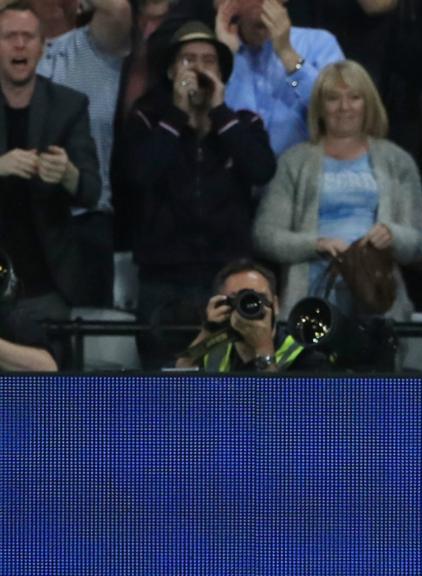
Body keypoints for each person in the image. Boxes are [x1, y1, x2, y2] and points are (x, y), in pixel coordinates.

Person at [124, 20, 276, 369]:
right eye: (188, 60)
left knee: (232, 373)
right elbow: (140, 175)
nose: (198, 69)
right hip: (163, 277)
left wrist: (220, 112)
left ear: (222, 73)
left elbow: (261, 169)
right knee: (166, 373)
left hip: (226, 275)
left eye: (209, 61)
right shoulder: (148, 121)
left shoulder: (244, 123)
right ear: (170, 70)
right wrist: (178, 114)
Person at [252, 60, 422, 326]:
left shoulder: (397, 161)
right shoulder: (294, 161)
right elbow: (265, 235)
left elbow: (417, 244)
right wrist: (316, 244)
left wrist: (393, 234)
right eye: (333, 98)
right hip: (310, 298)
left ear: (368, 103)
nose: (344, 107)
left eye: (354, 97)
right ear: (320, 107)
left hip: (377, 300)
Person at [0, 1, 100, 367]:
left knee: (52, 386)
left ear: (42, 47)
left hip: (44, 283)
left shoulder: (68, 105)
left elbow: (91, 190)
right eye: (10, 36)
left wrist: (68, 175)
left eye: (29, 37)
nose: (20, 45)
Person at [35, 0, 132, 308]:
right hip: (18, 213)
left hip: (86, 218)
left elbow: (117, 8)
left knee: (89, 338)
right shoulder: (9, 48)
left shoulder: (97, 46)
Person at [217, 0, 345, 155]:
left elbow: (337, 110)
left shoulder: (319, 43)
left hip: (303, 171)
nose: (263, 5)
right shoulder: (219, 53)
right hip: (239, 172)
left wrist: (287, 54)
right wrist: (230, 58)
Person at [175, 259, 329, 371]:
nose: (247, 306)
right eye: (237, 299)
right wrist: (208, 330)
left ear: (275, 305)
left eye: (257, 298)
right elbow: (176, 389)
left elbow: (281, 412)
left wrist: (263, 349)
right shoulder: (216, 351)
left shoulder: (306, 358)